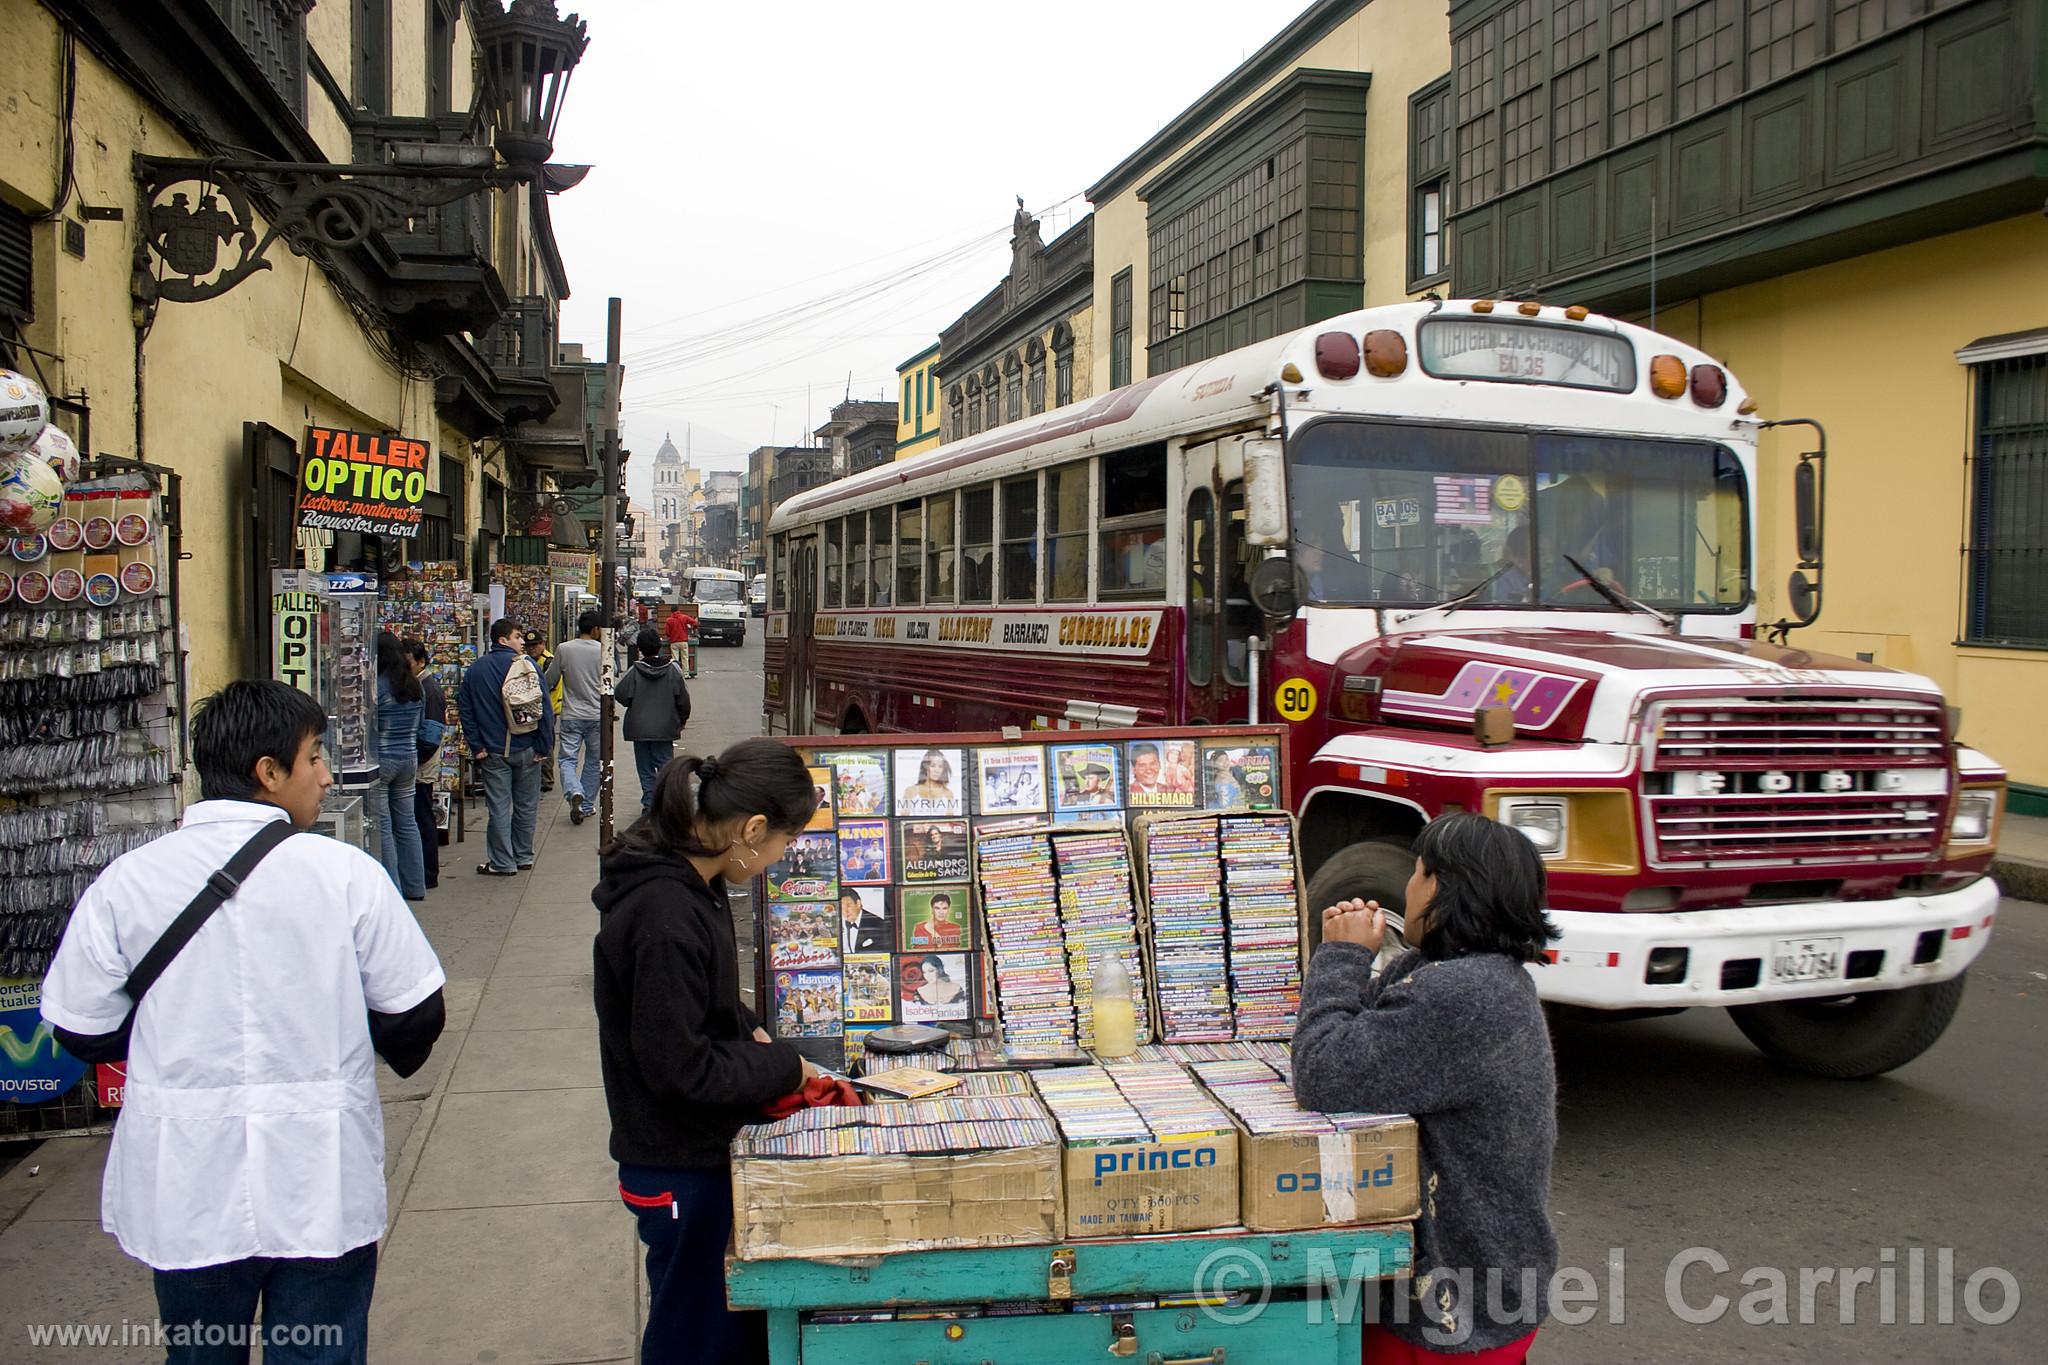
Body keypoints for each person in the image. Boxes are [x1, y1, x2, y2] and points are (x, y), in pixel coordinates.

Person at [40, 681, 445, 1364]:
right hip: (320, 1181)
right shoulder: (345, 875)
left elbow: (80, 1027)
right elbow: (414, 1016)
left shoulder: (128, 882)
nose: (323, 775)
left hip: (187, 1187)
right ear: (268, 772)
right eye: (313, 757)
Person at [1292, 814, 1559, 1362]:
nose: (1407, 888)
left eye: (1417, 874)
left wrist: (1341, 957)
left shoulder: (1465, 995)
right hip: (1484, 1281)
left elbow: (1322, 1071)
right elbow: (1372, 1029)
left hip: (1455, 1302)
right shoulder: (1470, 973)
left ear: (1441, 888)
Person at [592, 738, 820, 1365]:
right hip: (677, 1168)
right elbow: (680, 1066)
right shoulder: (664, 910)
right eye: (784, 842)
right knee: (695, 1333)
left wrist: (749, 1028)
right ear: (751, 829)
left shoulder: (697, 875)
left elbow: (706, 1000)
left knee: (720, 1325)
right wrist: (784, 1066)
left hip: (697, 1153)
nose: (780, 858)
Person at [458, 618, 556, 876]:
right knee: (526, 805)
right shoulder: (528, 667)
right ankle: (523, 854)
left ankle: (502, 861)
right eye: (516, 636)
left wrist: (476, 745)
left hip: (492, 750)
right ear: (503, 640)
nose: (522, 641)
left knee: (499, 807)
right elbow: (544, 708)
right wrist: (543, 747)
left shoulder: (476, 670)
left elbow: (466, 711)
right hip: (527, 747)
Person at [368, 630, 427, 900]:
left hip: (382, 759)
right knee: (407, 822)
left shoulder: (376, 687)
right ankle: (416, 884)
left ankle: (393, 888)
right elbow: (422, 725)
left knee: (384, 825)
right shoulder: (415, 686)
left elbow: (368, 726)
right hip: (409, 758)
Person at [615, 625, 693, 810]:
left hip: (639, 728)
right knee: (665, 767)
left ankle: (649, 803)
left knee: (644, 768)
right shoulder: (673, 670)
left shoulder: (634, 671)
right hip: (665, 728)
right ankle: (665, 804)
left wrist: (634, 702)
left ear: (640, 649)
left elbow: (620, 693)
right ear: (660, 646)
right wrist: (682, 720)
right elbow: (683, 699)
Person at [546, 610, 606, 825]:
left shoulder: (564, 649)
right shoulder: (602, 650)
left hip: (571, 715)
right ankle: (587, 805)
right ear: (596, 629)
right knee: (593, 761)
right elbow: (611, 676)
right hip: (597, 715)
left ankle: (574, 792)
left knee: (567, 759)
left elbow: (550, 679)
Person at [404, 639, 447, 890]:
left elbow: (431, 735)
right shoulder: (419, 686)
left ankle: (428, 872)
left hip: (422, 764)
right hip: (419, 761)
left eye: (408, 663)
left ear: (421, 662)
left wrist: (416, 759)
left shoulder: (428, 689)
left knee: (422, 817)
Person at [524, 634, 559, 793]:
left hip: (548, 710)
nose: (532, 649)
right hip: (534, 709)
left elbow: (547, 685)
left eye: (535, 645)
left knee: (546, 742)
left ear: (542, 644)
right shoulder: (527, 660)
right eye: (529, 646)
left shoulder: (548, 661)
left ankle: (547, 779)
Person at [839, 889, 890, 954]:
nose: (845, 911)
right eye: (841, 907)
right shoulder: (840, 924)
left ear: (858, 903)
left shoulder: (878, 924)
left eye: (848, 905)